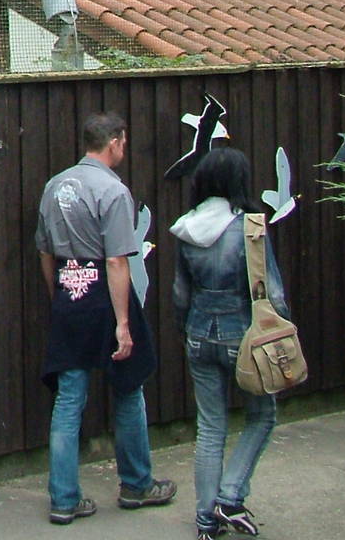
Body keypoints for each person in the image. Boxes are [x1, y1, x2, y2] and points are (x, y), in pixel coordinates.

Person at [35, 110, 176, 525]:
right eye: (123, 142)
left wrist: (59, 296)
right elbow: (117, 260)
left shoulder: (53, 186)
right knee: (129, 388)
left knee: (69, 398)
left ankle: (63, 499)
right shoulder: (113, 192)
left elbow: (45, 252)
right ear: (114, 142)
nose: (124, 148)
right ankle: (136, 484)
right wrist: (123, 322)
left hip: (67, 289)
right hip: (104, 294)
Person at [171, 148, 288, 539]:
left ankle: (206, 522)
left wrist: (184, 331)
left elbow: (179, 294)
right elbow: (273, 291)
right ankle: (230, 496)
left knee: (210, 427)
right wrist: (283, 331)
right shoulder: (249, 227)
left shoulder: (186, 227)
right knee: (262, 415)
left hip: (199, 333)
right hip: (245, 335)